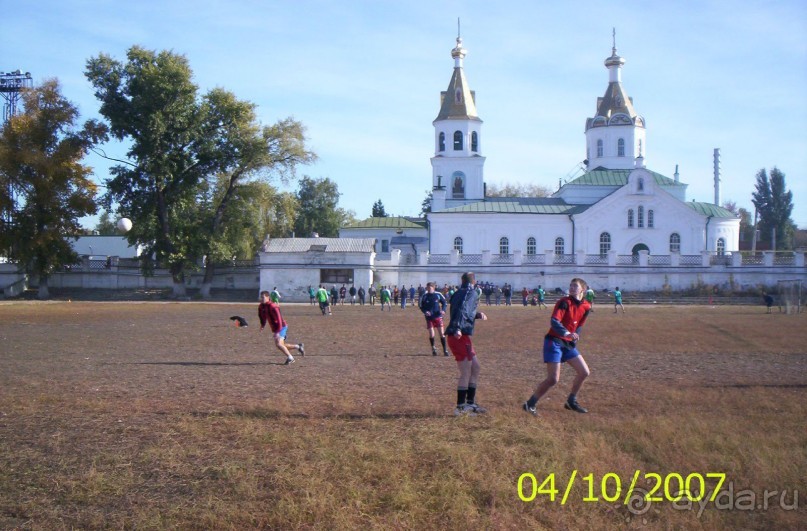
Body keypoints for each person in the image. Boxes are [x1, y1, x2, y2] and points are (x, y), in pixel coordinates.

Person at [523, 278, 592, 416]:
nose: (572, 288)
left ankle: (571, 401)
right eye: (571, 285)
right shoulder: (564, 302)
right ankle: (529, 404)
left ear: (582, 290)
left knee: (584, 372)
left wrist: (574, 337)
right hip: (554, 341)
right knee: (553, 379)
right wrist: (567, 333)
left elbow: (579, 325)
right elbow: (554, 321)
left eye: (575, 286)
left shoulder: (586, 306)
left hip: (568, 343)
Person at [446, 272, 488, 416]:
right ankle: (460, 408)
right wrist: (458, 327)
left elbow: (461, 310)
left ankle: (470, 403)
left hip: (461, 335)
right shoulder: (472, 292)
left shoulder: (458, 292)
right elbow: (463, 309)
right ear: (474, 281)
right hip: (457, 335)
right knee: (466, 372)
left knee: (475, 367)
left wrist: (477, 315)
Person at [259, 290, 305, 365]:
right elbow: (262, 316)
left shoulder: (273, 306)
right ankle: (298, 346)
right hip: (275, 328)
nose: (261, 299)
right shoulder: (262, 306)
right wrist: (262, 324)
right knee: (280, 345)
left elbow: (279, 319)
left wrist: (278, 332)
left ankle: (290, 358)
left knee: (279, 344)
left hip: (281, 326)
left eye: (263, 297)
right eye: (261, 297)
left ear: (268, 297)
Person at [419, 282, 449, 356]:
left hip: (438, 316)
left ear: (433, 288)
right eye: (428, 288)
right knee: (432, 334)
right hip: (429, 318)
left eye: (430, 288)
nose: (429, 289)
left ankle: (445, 350)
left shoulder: (438, 294)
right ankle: (433, 348)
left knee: (442, 334)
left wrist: (443, 310)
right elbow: (421, 306)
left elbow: (444, 302)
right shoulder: (424, 296)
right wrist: (425, 311)